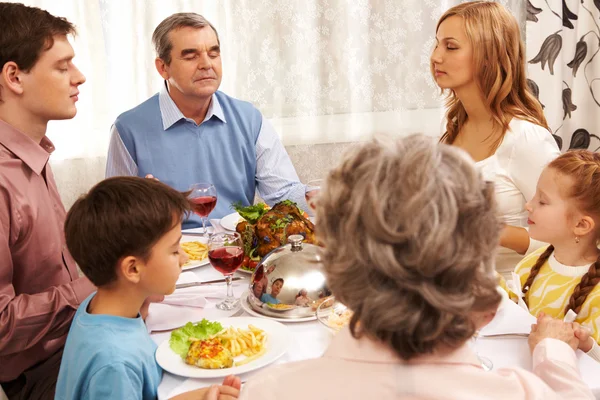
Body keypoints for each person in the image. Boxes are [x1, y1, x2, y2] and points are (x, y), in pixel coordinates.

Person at [239, 135, 593, 400]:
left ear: (336, 274)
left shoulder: (267, 392)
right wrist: (553, 352)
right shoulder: (525, 394)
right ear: (476, 284)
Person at [105, 12, 308, 229]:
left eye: (213, 53)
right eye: (191, 56)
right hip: (170, 257)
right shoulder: (128, 129)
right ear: (163, 67)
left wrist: (326, 196)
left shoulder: (249, 118)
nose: (206, 64)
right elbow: (114, 219)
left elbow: (284, 194)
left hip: (236, 253)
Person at [55, 177, 241, 400]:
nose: (184, 257)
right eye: (174, 251)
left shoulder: (97, 306)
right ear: (132, 269)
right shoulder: (115, 365)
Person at [0, 4, 96, 399]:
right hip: (43, 373)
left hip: (74, 339)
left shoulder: (32, 152)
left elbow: (46, 256)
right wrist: (93, 287)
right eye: (62, 66)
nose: (79, 77)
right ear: (14, 77)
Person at [431, 1, 560, 278]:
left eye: (451, 47)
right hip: (449, 286)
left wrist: (491, 230)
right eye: (437, 44)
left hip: (507, 299)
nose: (436, 57)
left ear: (488, 56)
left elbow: (564, 239)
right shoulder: (451, 126)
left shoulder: (527, 139)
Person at [512, 150, 600, 362]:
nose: (529, 205)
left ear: (581, 225)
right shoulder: (531, 262)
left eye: (542, 201)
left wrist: (587, 345)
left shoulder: (596, 296)